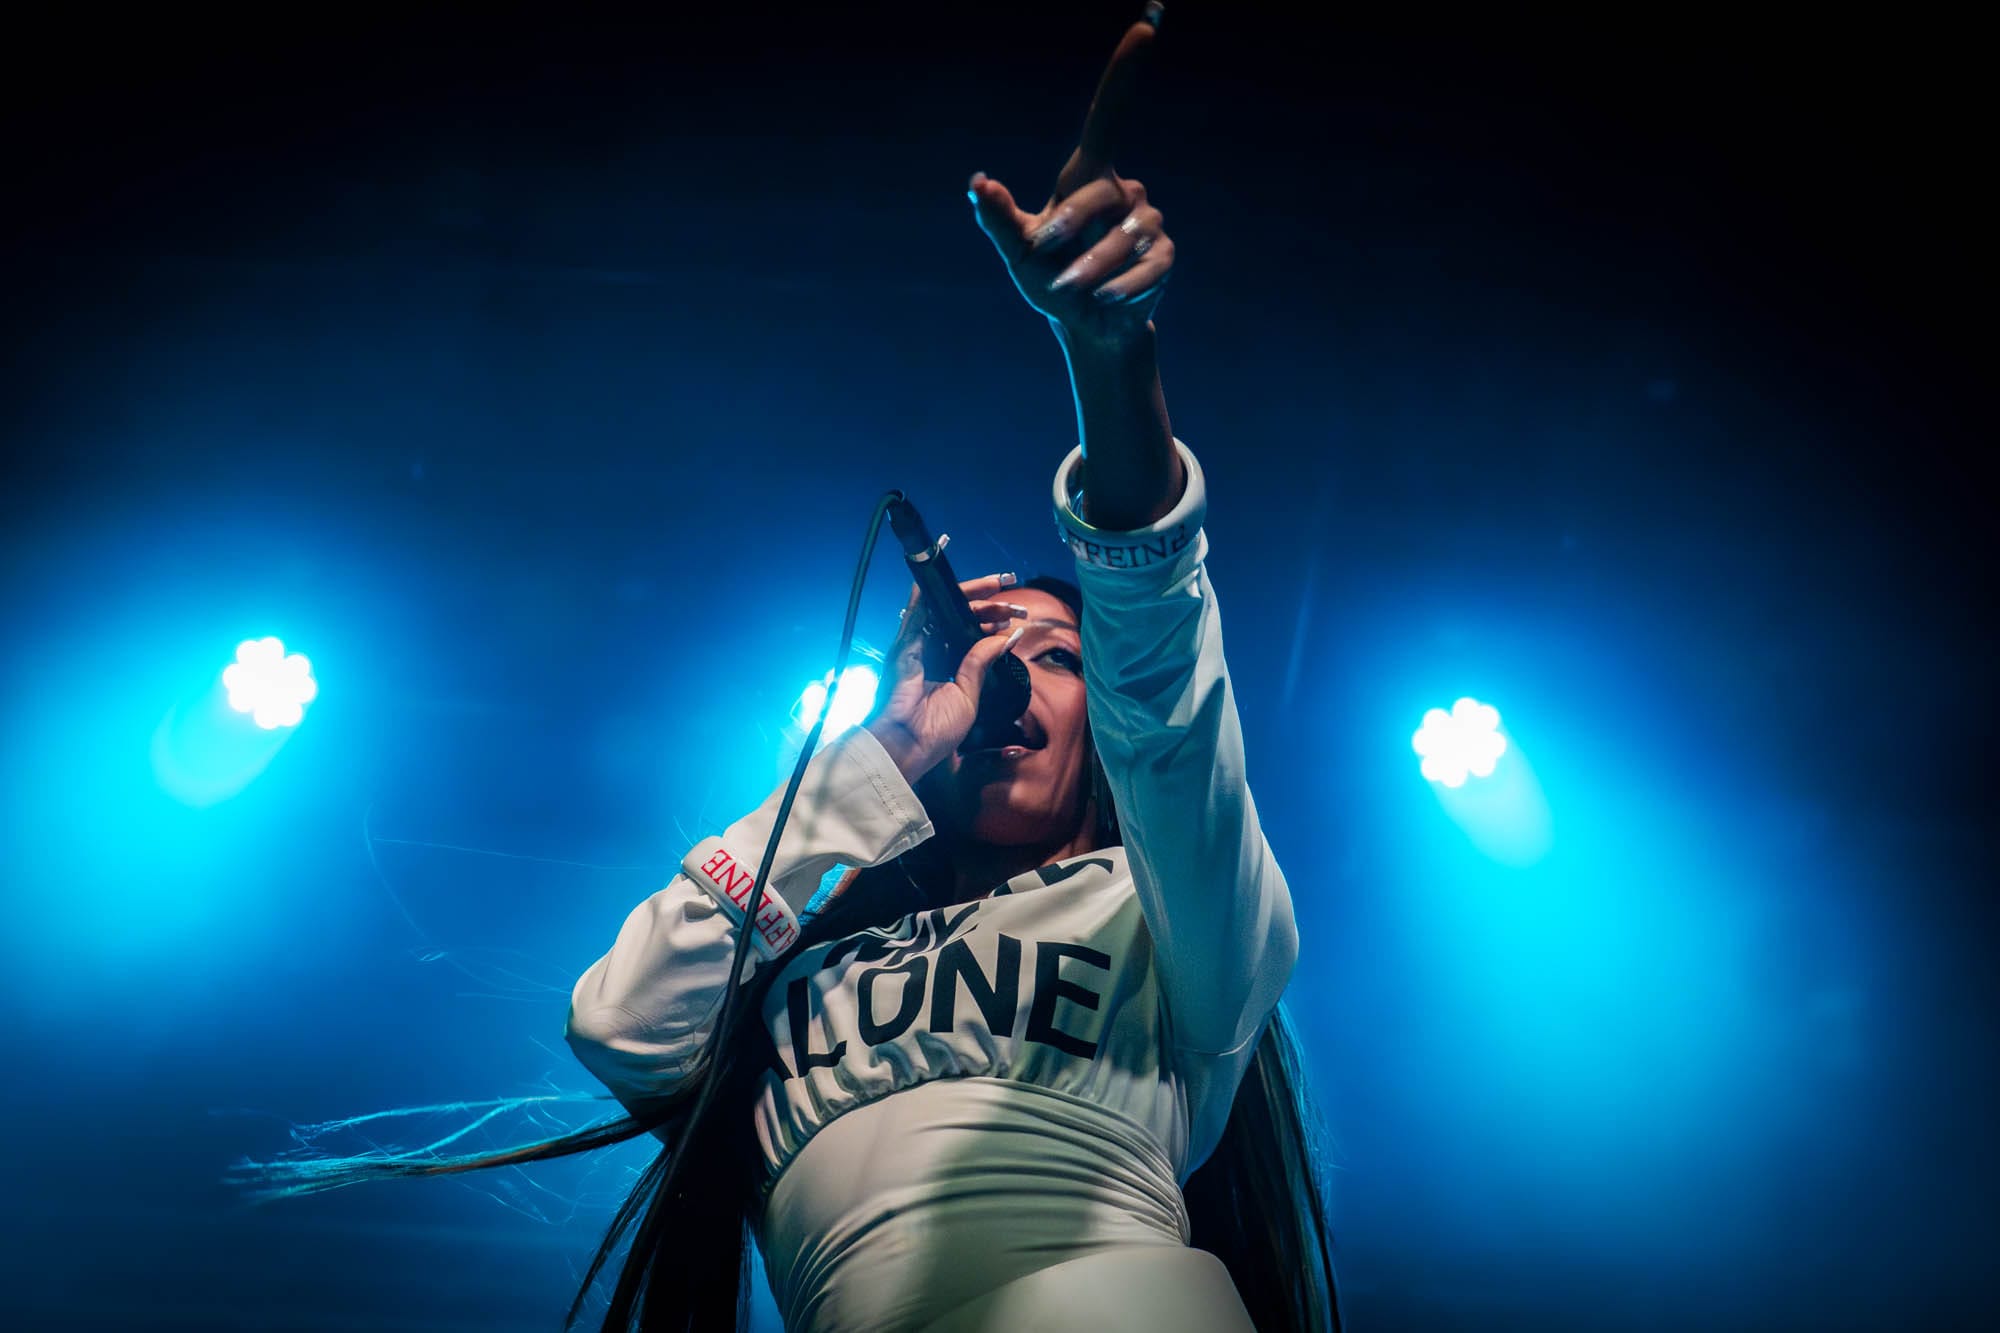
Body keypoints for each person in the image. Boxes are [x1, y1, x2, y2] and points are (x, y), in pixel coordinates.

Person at [239, 13, 1340, 1332]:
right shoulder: (795, 953)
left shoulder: (1172, 920)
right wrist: (888, 756)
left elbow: (1164, 686)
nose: (1001, 672)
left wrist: (1110, 362)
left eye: (1053, 657)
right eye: (971, 648)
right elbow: (622, 1022)